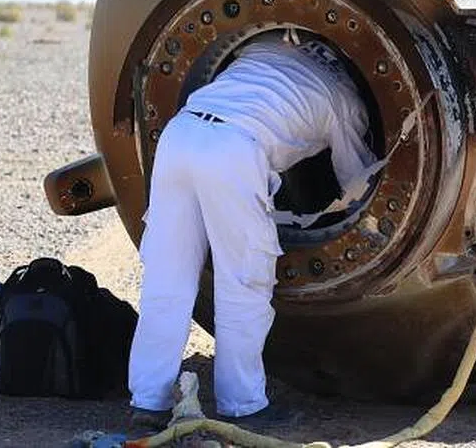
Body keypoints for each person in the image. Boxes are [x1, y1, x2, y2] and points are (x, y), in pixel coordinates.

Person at [127, 31, 379, 430]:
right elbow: (358, 183)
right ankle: (243, 405)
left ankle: (149, 401)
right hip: (233, 149)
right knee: (243, 282)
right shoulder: (344, 100)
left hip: (180, 135)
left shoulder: (269, 46)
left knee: (167, 278)